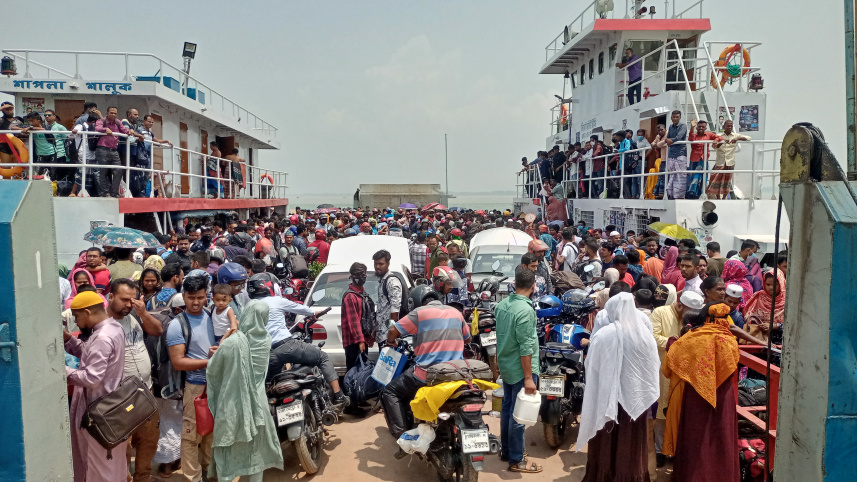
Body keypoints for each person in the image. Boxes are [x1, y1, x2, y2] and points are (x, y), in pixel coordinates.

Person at [577, 292, 660, 482]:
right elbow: (651, 368)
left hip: (606, 399)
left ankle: (602, 476)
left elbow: (592, 368)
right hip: (634, 401)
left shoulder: (603, 335)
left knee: (605, 443)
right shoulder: (644, 337)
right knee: (629, 445)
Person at [205, 301, 284, 482]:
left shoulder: (232, 343)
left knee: (227, 449)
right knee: (256, 454)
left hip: (232, 405)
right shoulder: (266, 340)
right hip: (259, 407)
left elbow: (213, 370)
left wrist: (216, 353)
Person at [662, 302, 741, 482]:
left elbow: (673, 357)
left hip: (694, 394)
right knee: (721, 436)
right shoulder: (729, 341)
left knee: (695, 436)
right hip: (723, 395)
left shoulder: (691, 338)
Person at [381, 283, 471, 439]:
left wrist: (391, 342)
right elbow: (468, 338)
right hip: (457, 373)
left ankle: (402, 435)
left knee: (390, 391)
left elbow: (392, 330)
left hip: (428, 375)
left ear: (415, 301)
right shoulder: (456, 312)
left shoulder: (419, 313)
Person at [246, 276, 348, 405]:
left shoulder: (248, 307)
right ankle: (339, 396)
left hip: (265, 353)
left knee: (270, 386)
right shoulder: (277, 301)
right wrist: (313, 313)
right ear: (269, 287)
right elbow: (301, 309)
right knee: (322, 357)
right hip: (286, 346)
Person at [64, 291, 127, 482]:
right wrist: (69, 340)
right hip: (111, 410)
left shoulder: (102, 337)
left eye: (76, 316)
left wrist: (61, 371)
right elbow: (89, 353)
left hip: (97, 412)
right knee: (112, 464)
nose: (75, 321)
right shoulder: (113, 328)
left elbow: (91, 377)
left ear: (87, 312)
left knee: (98, 468)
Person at [107, 279, 164, 482]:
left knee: (149, 439)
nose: (128, 304)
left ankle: (143, 476)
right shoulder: (103, 323)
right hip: (121, 396)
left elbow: (157, 330)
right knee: (124, 443)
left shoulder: (133, 316)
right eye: (124, 300)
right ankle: (124, 477)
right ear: (111, 296)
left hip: (145, 390)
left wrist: (143, 313)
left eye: (132, 300)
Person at [166, 276, 217, 482]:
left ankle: (210, 472)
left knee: (211, 432)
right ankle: (192, 477)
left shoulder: (210, 315)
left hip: (214, 385)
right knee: (191, 435)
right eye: (191, 298)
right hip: (194, 387)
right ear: (183, 296)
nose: (196, 302)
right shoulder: (177, 326)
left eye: (200, 297)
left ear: (207, 297)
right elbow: (178, 362)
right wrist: (209, 362)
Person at [494, 269, 543, 474]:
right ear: (533, 287)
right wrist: (529, 378)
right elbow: (526, 347)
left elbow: (500, 337)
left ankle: (507, 451)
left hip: (507, 365)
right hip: (521, 369)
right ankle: (516, 459)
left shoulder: (502, 305)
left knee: (507, 409)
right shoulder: (525, 311)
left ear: (514, 284)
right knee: (519, 415)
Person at [94, 106, 144, 198]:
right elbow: (97, 129)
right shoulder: (102, 121)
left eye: (115, 113)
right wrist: (105, 129)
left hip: (114, 150)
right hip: (102, 149)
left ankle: (114, 192)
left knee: (119, 171)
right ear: (107, 113)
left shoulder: (118, 122)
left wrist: (135, 133)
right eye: (111, 113)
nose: (113, 115)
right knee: (103, 172)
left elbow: (125, 131)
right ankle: (105, 193)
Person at [341, 262, 374, 374]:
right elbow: (353, 321)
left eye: (363, 274)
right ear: (352, 276)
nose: (361, 277)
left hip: (362, 340)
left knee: (362, 371)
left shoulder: (363, 294)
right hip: (353, 342)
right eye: (357, 274)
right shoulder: (350, 296)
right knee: (353, 372)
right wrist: (360, 341)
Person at [706, 119, 750, 199]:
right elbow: (714, 146)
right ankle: (718, 196)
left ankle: (724, 197)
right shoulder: (719, 135)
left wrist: (737, 139)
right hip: (720, 161)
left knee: (727, 181)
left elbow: (749, 138)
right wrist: (721, 143)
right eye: (728, 126)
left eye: (731, 126)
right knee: (716, 179)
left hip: (730, 161)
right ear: (724, 127)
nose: (730, 127)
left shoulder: (735, 135)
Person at [741, 270, 786, 344]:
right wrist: (759, 325)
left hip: (779, 341)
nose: (771, 287)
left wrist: (773, 326)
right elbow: (747, 317)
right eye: (768, 284)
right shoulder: (758, 297)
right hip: (758, 339)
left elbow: (792, 324)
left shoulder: (788, 301)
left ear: (781, 284)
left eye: (775, 284)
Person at [686, 120, 721, 198]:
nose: (701, 128)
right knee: (694, 176)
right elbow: (690, 139)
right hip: (694, 159)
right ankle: (692, 192)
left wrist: (716, 140)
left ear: (705, 128)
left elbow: (720, 137)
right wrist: (692, 127)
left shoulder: (708, 134)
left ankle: (701, 193)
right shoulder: (694, 135)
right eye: (699, 126)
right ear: (697, 127)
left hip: (704, 159)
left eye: (703, 127)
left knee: (703, 176)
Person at [374, 249, 403, 344]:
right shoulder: (383, 280)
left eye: (381, 264)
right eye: (375, 264)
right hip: (381, 334)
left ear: (388, 263)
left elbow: (395, 312)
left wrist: (392, 334)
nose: (377, 267)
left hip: (388, 337)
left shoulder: (392, 282)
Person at [664, 110, 688, 199]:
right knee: (672, 174)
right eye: (673, 117)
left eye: (677, 117)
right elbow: (668, 138)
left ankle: (680, 195)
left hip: (680, 153)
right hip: (672, 153)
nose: (675, 118)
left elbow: (679, 137)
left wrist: (670, 140)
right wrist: (668, 140)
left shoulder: (683, 126)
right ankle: (671, 194)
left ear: (680, 117)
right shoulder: (670, 126)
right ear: (671, 117)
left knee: (680, 175)